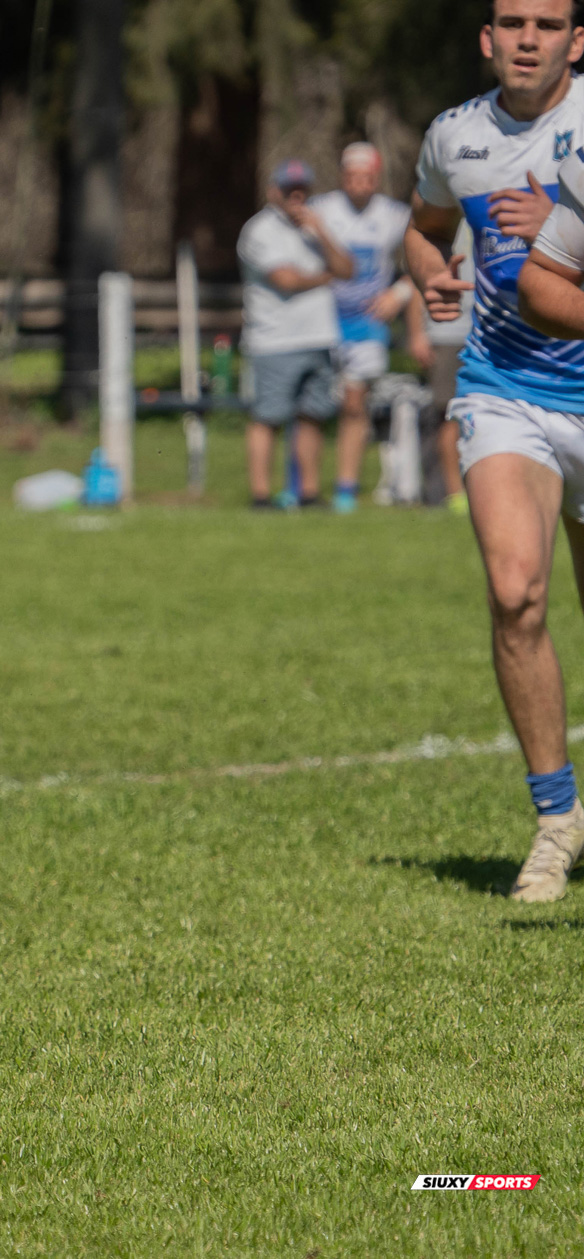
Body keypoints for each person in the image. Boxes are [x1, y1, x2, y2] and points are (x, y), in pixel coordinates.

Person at [405, 0, 584, 902]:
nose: (527, 38)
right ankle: (557, 820)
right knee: (516, 592)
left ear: (577, 42)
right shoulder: (455, 136)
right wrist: (430, 274)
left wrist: (565, 224)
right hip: (504, 388)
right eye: (512, 22)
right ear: (487, 39)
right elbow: (424, 227)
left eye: (547, 24)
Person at [311, 142, 431, 513]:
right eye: (352, 177)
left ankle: (346, 487)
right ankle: (302, 486)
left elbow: (427, 256)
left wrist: (399, 294)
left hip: (366, 324)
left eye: (366, 178)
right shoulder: (321, 210)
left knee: (354, 403)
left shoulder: (394, 215)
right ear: (341, 176)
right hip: (321, 321)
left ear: (376, 178)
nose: (359, 185)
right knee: (312, 404)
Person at [237, 159, 356, 508]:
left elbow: (348, 269)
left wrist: (322, 232)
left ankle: (309, 493)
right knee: (267, 418)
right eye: (289, 189)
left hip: (319, 336)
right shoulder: (260, 230)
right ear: (274, 191)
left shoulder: (316, 225)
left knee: (312, 417)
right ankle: (261, 496)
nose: (296, 195)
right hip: (274, 340)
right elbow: (286, 280)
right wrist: (327, 276)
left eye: (302, 187)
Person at [424, 218, 475, 511]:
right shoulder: (445, 210)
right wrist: (418, 333)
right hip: (448, 331)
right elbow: (419, 277)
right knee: (450, 415)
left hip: (491, 329)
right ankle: (456, 493)